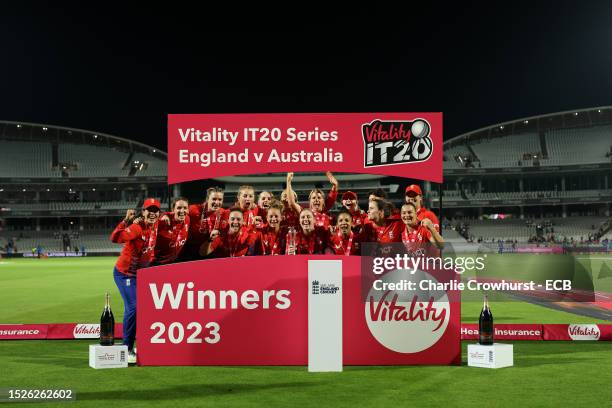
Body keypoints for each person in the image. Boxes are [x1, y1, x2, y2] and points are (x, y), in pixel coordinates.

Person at [110, 198, 160, 364]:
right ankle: (126, 348)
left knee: (138, 309)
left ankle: (137, 344)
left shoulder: (156, 226)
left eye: (155, 210)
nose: (152, 213)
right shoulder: (137, 227)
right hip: (125, 274)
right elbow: (115, 238)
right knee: (134, 308)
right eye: (149, 210)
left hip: (140, 276)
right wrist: (126, 221)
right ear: (143, 212)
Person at [183, 187, 228, 260]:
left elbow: (239, 211)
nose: (217, 202)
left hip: (211, 251)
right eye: (214, 199)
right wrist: (166, 215)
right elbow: (178, 211)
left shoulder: (224, 213)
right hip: (190, 252)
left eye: (220, 200)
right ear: (207, 199)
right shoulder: (194, 209)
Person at [153, 197, 190, 265]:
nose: (182, 211)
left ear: (188, 210)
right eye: (179, 208)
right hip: (157, 264)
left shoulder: (187, 219)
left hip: (174, 263)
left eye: (185, 208)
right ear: (173, 209)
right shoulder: (163, 221)